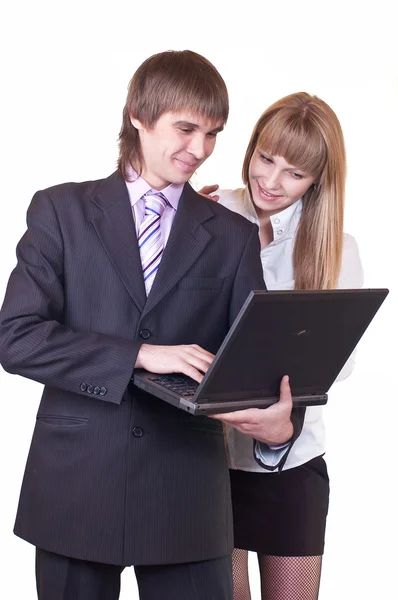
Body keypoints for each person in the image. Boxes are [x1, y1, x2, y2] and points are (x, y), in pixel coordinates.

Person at [0, 51, 303, 600]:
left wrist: (282, 427)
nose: (201, 150)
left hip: (186, 496)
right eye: (186, 128)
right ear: (139, 113)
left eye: (213, 133)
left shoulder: (232, 237)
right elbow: (17, 337)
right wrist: (139, 354)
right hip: (76, 487)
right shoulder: (59, 211)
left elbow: (256, 359)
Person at [200, 92, 364, 600]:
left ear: (318, 180)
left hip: (291, 458)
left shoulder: (338, 248)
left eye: (293, 173)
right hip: (206, 459)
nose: (269, 182)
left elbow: (340, 363)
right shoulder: (210, 212)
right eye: (265, 159)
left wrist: (276, 414)